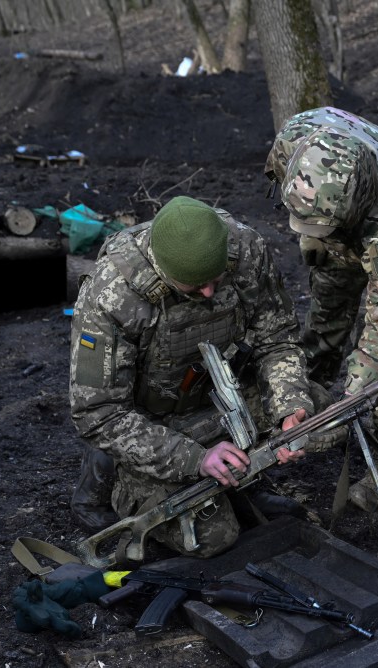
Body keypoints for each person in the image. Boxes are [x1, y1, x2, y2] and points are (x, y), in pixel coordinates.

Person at [69, 195, 322, 558]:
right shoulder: (113, 295)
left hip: (217, 399)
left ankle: (238, 481)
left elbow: (278, 337)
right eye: (193, 286)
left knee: (323, 415)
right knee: (212, 538)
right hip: (152, 425)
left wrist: (289, 408)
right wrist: (195, 459)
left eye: (215, 280)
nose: (208, 292)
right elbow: (98, 414)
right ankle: (113, 481)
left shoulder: (244, 249)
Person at [265, 106, 378, 514]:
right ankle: (303, 406)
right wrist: (313, 235)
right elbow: (278, 177)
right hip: (332, 217)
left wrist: (354, 393)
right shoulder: (296, 136)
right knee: (325, 314)